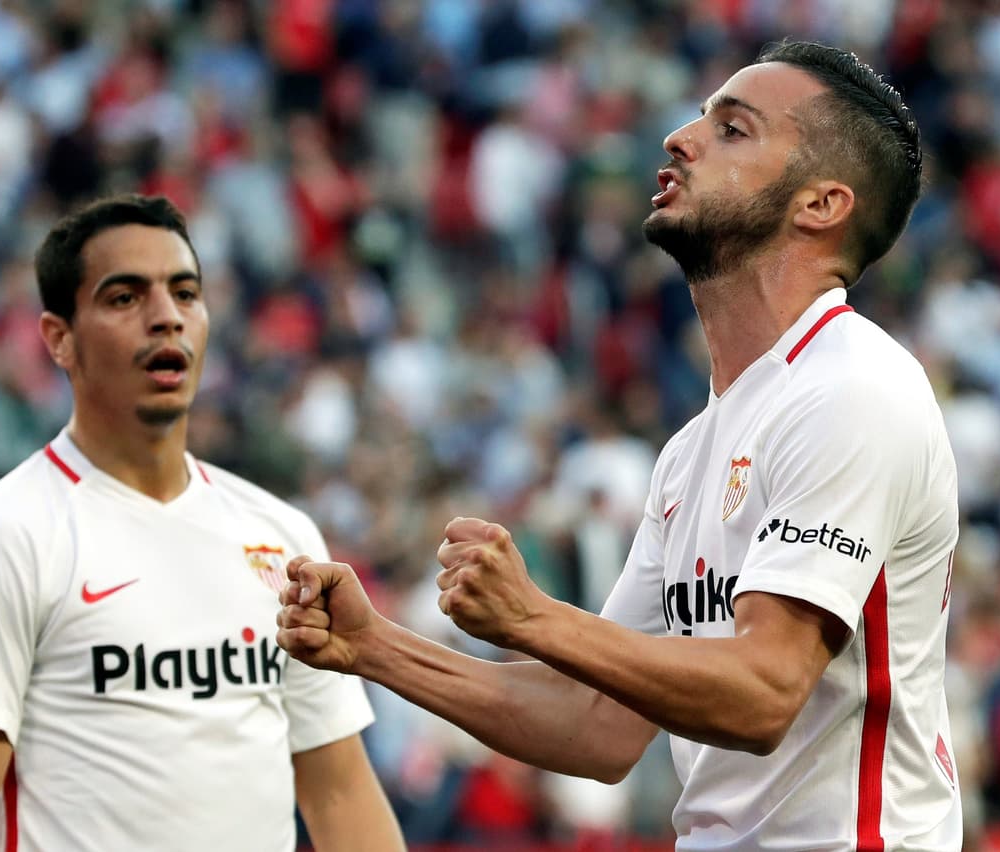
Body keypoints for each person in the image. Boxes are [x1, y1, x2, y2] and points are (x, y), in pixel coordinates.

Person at [278, 40, 962, 851]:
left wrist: (533, 616)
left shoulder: (853, 387)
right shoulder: (692, 449)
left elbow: (764, 692)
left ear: (820, 204)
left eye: (732, 129)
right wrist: (375, 647)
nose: (680, 137)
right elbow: (598, 725)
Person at [0, 195, 404, 852]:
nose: (166, 317)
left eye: (185, 293)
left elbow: (339, 791)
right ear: (59, 338)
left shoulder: (283, 537)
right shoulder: (1, 540)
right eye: (124, 298)